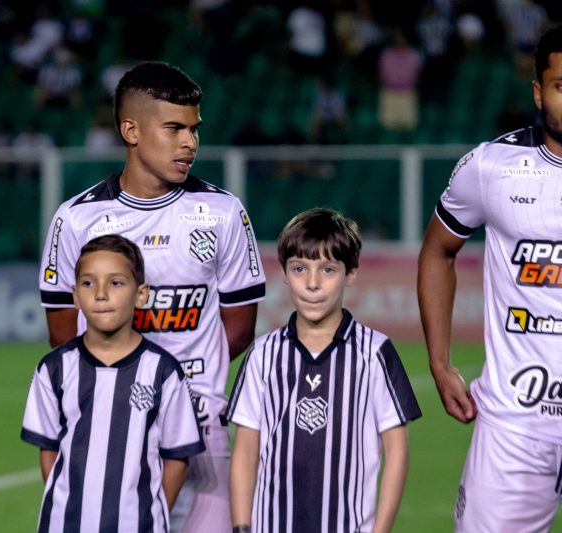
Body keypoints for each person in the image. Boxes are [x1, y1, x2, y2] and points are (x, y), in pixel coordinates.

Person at [37, 61, 266, 532]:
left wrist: (174, 386)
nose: (190, 143)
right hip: (105, 424)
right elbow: (64, 335)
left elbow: (239, 328)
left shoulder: (222, 212)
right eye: (174, 128)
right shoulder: (76, 219)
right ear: (131, 130)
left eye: (195, 130)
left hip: (202, 425)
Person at [418, 25, 562, 532]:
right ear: (539, 91)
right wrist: (438, 362)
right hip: (513, 426)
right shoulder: (493, 167)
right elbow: (438, 250)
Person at [229, 208, 421, 533]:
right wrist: (241, 527)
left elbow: (397, 452)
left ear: (351, 273)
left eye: (328, 269)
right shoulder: (263, 354)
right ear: (285, 274)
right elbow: (246, 451)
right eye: (300, 268)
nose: (313, 283)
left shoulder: (374, 352)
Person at [22, 235, 204, 532]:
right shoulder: (54, 368)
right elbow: (48, 452)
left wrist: (152, 514)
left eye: (116, 283)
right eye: (88, 283)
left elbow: (177, 457)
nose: (101, 294)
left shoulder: (163, 371)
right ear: (75, 295)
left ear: (141, 294)